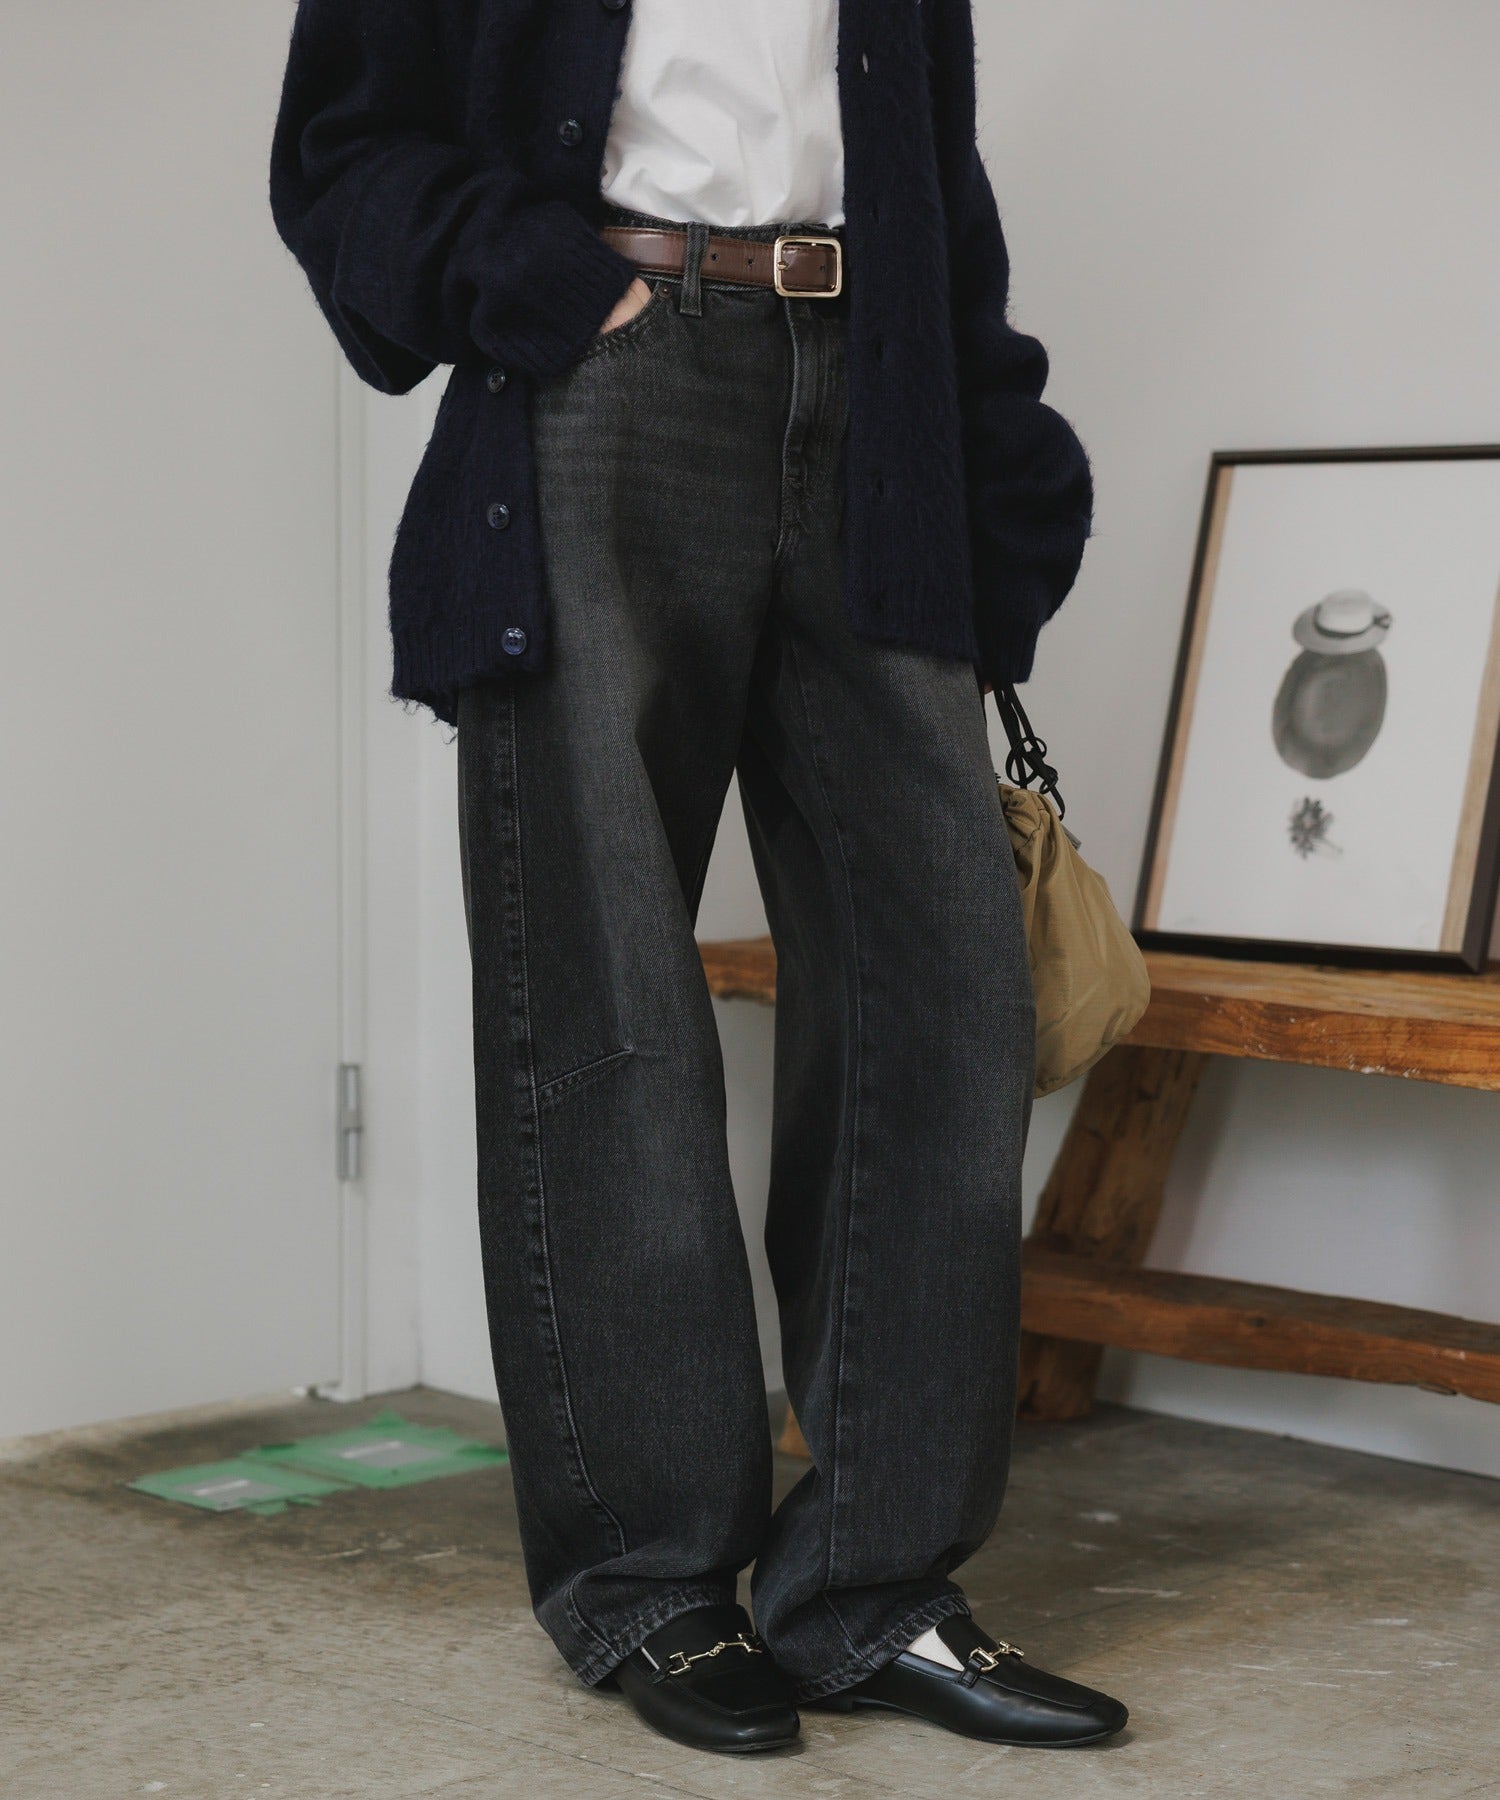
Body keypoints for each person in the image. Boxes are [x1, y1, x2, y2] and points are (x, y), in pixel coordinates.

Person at [271, 0, 1128, 1758]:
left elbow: (930, 174)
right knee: (610, 1007)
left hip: (873, 390)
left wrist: (994, 474)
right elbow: (340, 152)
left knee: (942, 993)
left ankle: (875, 1589)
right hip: (609, 382)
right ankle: (651, 1576)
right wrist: (555, 285)